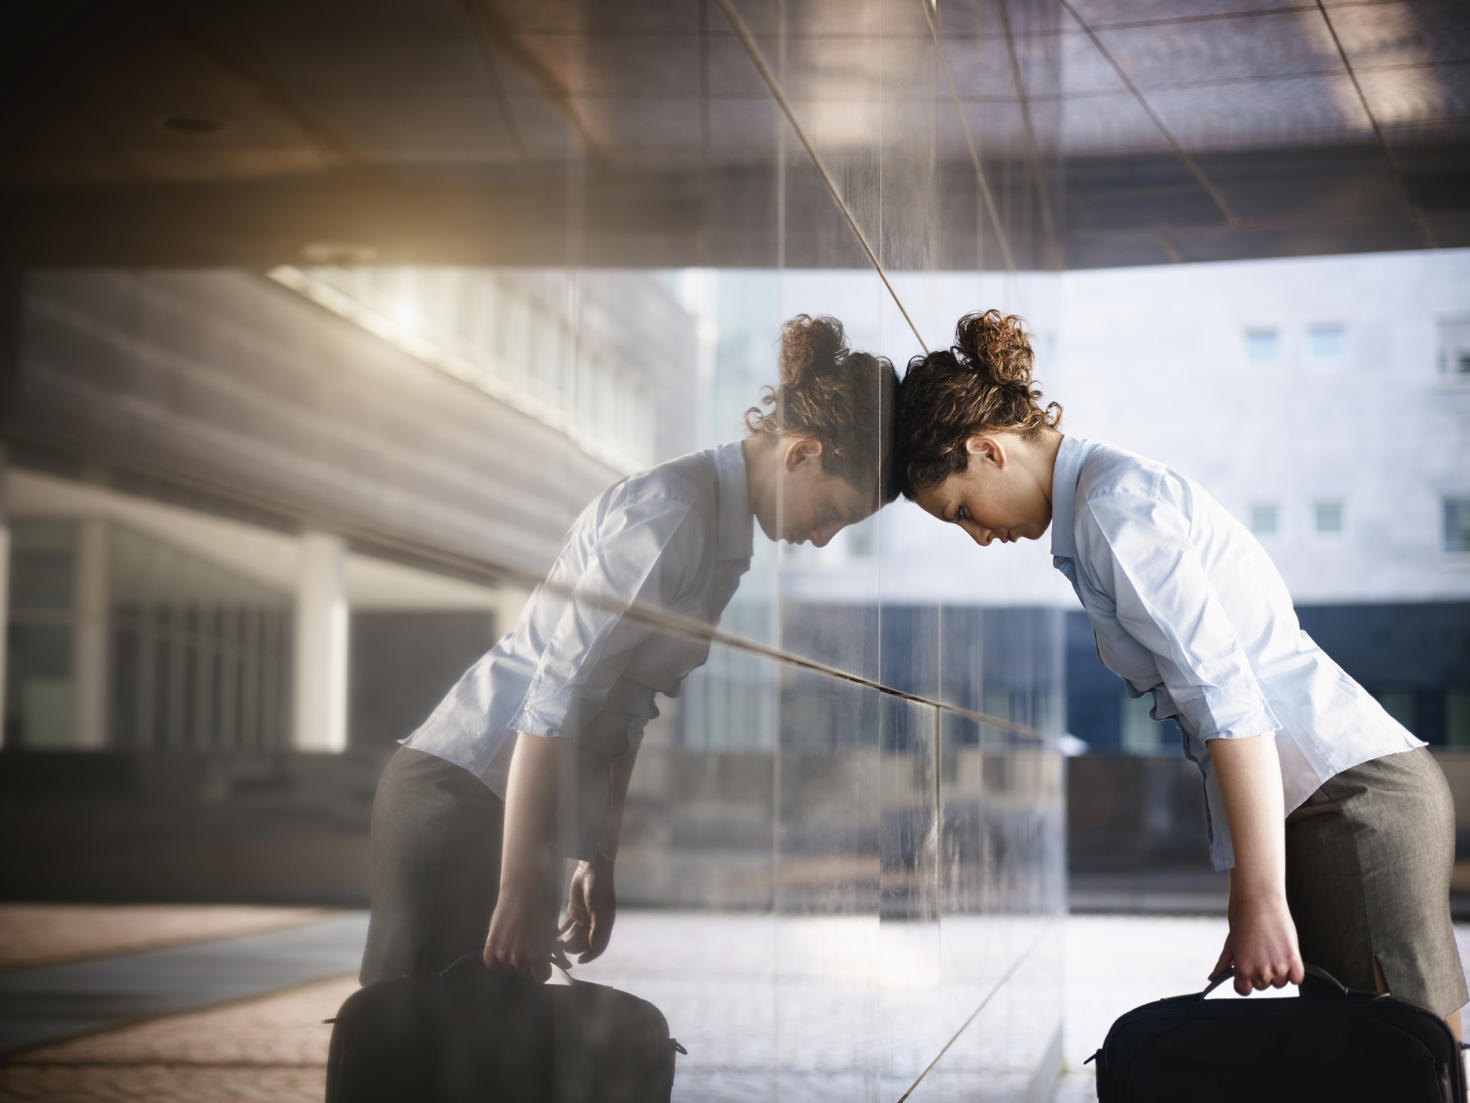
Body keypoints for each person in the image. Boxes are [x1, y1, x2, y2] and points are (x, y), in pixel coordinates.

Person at [893, 308, 1466, 1038]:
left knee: (1403, 1066)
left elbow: (1227, 701)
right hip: (1343, 798)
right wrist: (1247, 894)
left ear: (987, 449)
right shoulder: (1101, 503)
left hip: (1350, 802)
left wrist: (1262, 897)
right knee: (1395, 1064)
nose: (978, 535)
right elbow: (1213, 720)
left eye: (962, 509)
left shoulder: (1110, 509)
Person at [360, 314, 898, 985]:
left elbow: (626, 708)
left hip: (511, 818)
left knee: (480, 1061)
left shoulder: (723, 538)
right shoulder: (674, 513)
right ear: (801, 453)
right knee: (414, 1056)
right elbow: (555, 695)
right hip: (461, 798)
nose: (823, 537)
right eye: (833, 513)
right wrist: (518, 885)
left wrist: (594, 857)